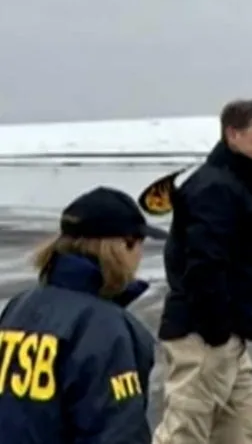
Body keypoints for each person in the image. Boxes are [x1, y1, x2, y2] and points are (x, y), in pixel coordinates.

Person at [154, 99, 252, 444]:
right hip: (204, 339)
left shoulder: (235, 185)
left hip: (227, 341)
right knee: (184, 435)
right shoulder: (214, 188)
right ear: (232, 135)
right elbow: (202, 266)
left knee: (248, 434)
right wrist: (217, 331)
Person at [0, 186, 167, 443]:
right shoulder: (107, 329)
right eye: (139, 245)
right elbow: (117, 431)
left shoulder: (19, 307)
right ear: (123, 245)